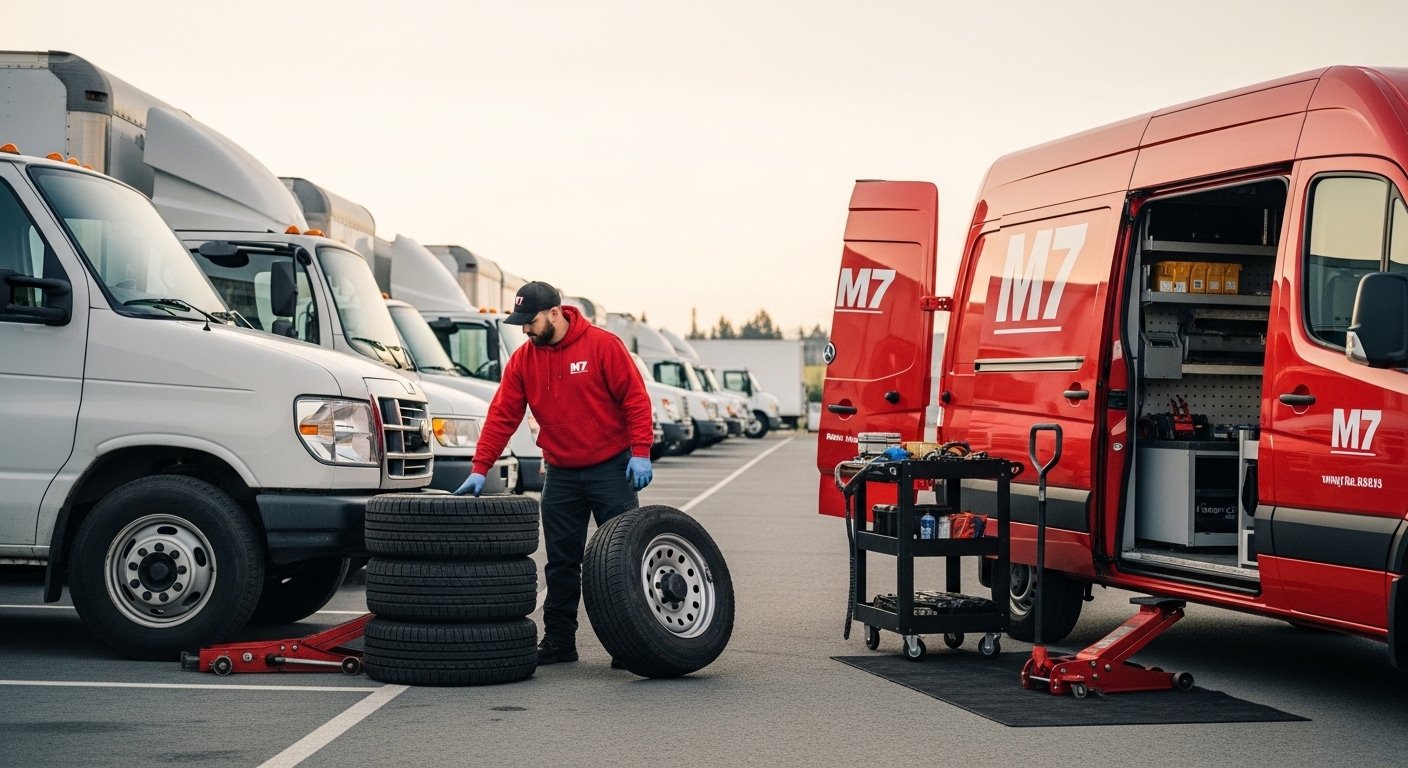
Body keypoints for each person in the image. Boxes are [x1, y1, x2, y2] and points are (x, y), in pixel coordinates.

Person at [454, 280, 655, 665]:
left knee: (620, 559)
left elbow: (635, 398)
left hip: (611, 469)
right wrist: (481, 467)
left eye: (530, 321)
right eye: (521, 324)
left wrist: (641, 451)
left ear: (554, 313)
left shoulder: (602, 346)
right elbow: (502, 416)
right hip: (562, 473)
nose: (525, 330)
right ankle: (560, 642)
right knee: (562, 563)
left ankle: (630, 643)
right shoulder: (525, 360)